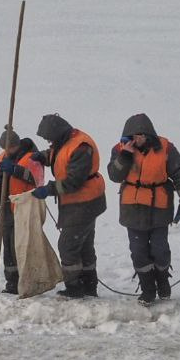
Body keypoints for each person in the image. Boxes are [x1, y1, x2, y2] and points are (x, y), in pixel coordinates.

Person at [106, 113, 180, 304]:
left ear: (149, 135)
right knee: (138, 251)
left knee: (160, 250)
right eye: (133, 136)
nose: (136, 139)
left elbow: (179, 174)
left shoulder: (165, 148)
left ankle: (163, 282)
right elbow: (114, 175)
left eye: (140, 135)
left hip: (159, 208)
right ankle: (148, 289)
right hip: (133, 208)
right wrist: (125, 155)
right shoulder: (120, 149)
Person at [31, 113, 107, 298]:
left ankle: (74, 287)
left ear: (58, 134)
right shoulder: (66, 140)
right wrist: (42, 156)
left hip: (84, 202)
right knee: (84, 246)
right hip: (82, 202)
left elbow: (73, 182)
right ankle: (89, 285)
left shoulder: (80, 147)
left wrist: (48, 189)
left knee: (68, 246)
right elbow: (57, 155)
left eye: (49, 138)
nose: (48, 142)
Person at [0, 128, 45, 294]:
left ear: (16, 145)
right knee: (8, 246)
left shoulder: (32, 157)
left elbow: (37, 180)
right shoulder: (4, 156)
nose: (6, 151)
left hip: (24, 207)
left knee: (21, 245)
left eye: (9, 148)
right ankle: (12, 283)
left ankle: (27, 281)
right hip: (7, 207)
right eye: (4, 148)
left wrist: (15, 170)